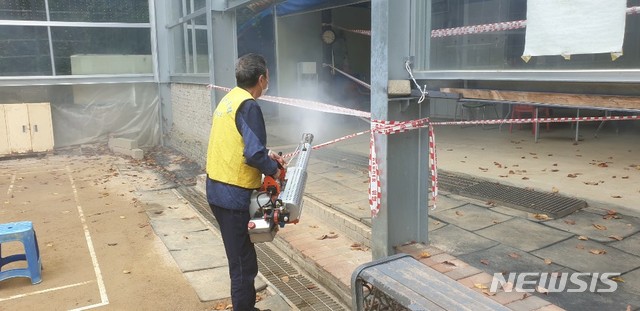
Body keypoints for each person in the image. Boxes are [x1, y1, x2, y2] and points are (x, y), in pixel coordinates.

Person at [205, 53, 284, 311]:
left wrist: (265, 152)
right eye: (267, 78)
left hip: (217, 188)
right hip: (231, 194)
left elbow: (239, 142)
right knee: (242, 266)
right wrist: (274, 168)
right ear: (261, 79)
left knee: (244, 260)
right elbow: (252, 154)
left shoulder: (229, 99)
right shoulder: (249, 105)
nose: (267, 83)